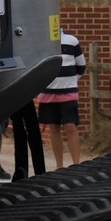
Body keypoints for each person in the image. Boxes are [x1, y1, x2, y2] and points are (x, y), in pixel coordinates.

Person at [36, 30, 86, 169]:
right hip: (48, 94)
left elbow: (81, 67)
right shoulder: (41, 42)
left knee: (70, 126)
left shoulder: (72, 41)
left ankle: (76, 164)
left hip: (68, 93)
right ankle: (59, 166)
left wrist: (71, 82)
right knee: (54, 127)